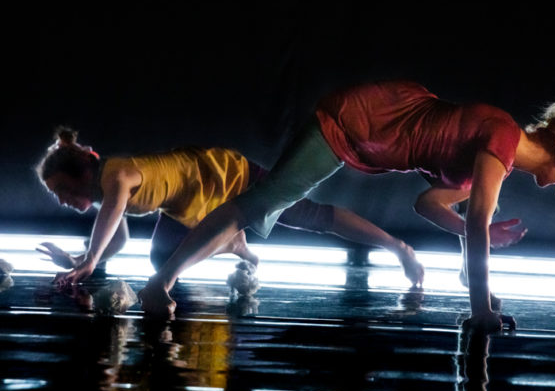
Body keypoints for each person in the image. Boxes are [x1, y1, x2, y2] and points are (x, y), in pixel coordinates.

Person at [138, 79, 555, 330]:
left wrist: (482, 243)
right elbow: (472, 224)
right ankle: (160, 282)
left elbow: (428, 205)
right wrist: (481, 309)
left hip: (368, 126)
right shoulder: (502, 139)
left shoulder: (499, 156)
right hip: (360, 121)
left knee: (267, 205)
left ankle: (162, 281)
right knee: (259, 203)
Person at [34, 127, 426, 288]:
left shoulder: (114, 175)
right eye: (57, 197)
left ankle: (398, 247)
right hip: (191, 202)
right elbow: (113, 236)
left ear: (83, 171)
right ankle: (233, 243)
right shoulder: (106, 194)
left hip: (225, 175)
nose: (63, 201)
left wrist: (87, 262)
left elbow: (111, 214)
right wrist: (83, 258)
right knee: (161, 258)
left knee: (308, 216)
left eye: (63, 190)